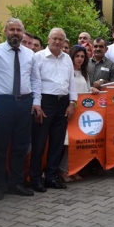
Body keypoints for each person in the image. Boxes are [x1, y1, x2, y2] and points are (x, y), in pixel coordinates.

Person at [0, 18, 43, 201]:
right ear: (5, 32)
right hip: (2, 103)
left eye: (18, 30)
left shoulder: (30, 54)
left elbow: (35, 80)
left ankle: (16, 184)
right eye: (12, 29)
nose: (15, 33)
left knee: (20, 146)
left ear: (22, 33)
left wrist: (36, 102)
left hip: (24, 104)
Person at [30, 28, 77, 192]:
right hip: (45, 102)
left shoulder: (67, 58)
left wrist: (72, 103)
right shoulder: (38, 57)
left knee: (57, 143)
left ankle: (51, 176)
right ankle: (35, 178)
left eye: (61, 39)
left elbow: (71, 82)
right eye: (55, 38)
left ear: (64, 42)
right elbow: (35, 82)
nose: (57, 42)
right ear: (48, 39)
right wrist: (37, 104)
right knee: (39, 143)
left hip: (62, 102)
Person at [60, 45, 100, 183]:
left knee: (79, 142)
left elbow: (86, 91)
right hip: (70, 111)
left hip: (82, 114)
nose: (80, 59)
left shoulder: (84, 74)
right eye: (77, 56)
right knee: (68, 143)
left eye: (82, 56)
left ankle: (73, 169)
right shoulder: (67, 72)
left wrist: (92, 89)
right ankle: (63, 170)